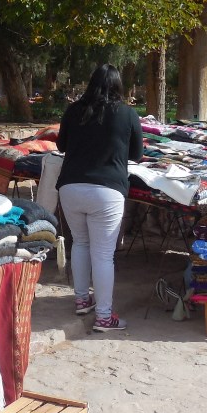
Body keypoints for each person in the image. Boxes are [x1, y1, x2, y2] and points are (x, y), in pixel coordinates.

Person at [55, 64, 142, 332]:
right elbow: (137, 155)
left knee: (79, 243)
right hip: (107, 191)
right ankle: (104, 316)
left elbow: (61, 146)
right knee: (103, 255)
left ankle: (82, 300)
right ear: (119, 86)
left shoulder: (74, 111)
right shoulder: (127, 114)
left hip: (70, 187)